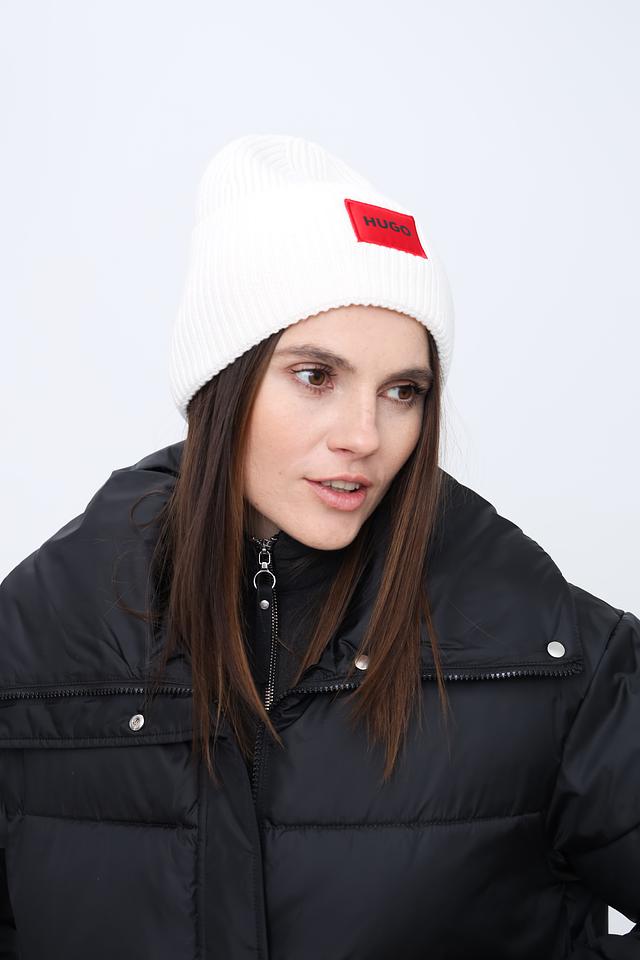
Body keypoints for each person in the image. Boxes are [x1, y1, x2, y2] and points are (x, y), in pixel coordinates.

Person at [0, 134, 638, 960]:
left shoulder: (550, 652)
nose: (364, 435)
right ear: (222, 382)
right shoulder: (37, 638)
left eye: (403, 391)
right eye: (316, 377)